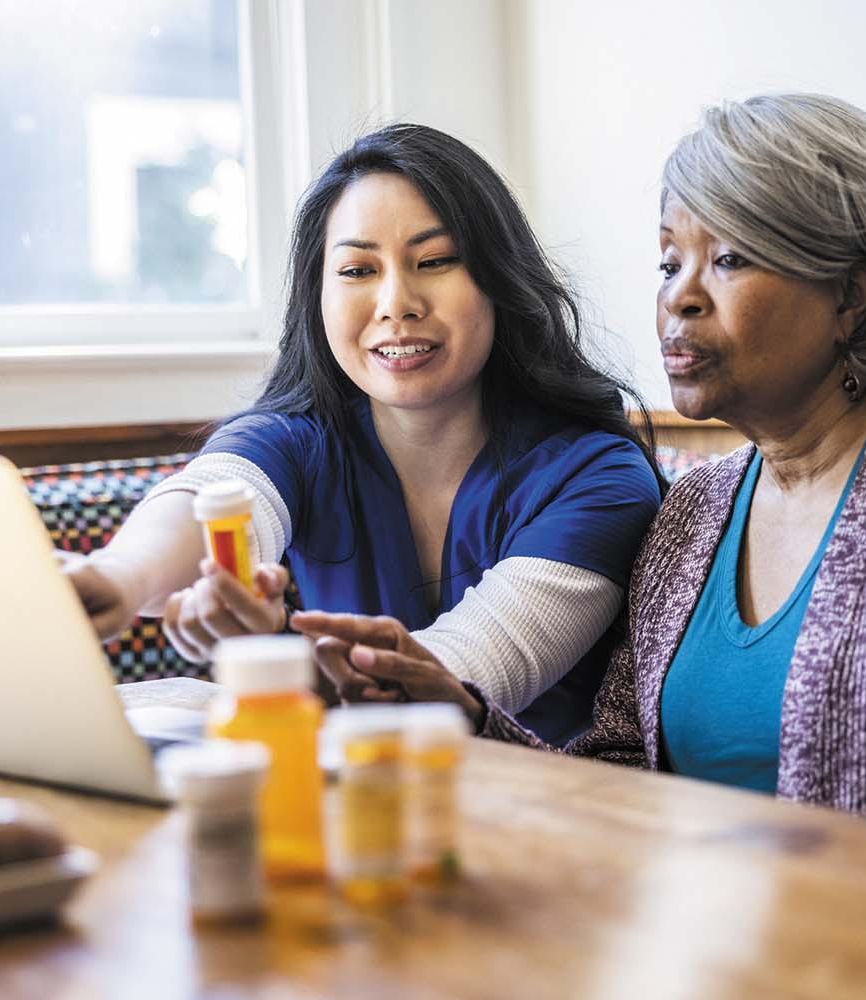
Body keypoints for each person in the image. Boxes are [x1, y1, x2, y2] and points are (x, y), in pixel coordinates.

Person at [293, 94, 866, 859]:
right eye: (670, 261)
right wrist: (460, 712)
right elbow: (622, 785)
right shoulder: (695, 511)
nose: (681, 296)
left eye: (732, 259)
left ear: (851, 295)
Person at [65, 123, 663, 746]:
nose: (396, 302)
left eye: (434, 261)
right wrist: (116, 580)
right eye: (357, 270)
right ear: (317, 297)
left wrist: (271, 650)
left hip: (547, 813)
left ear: (498, 280)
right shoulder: (297, 441)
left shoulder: (599, 478)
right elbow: (215, 499)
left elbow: (454, 682)